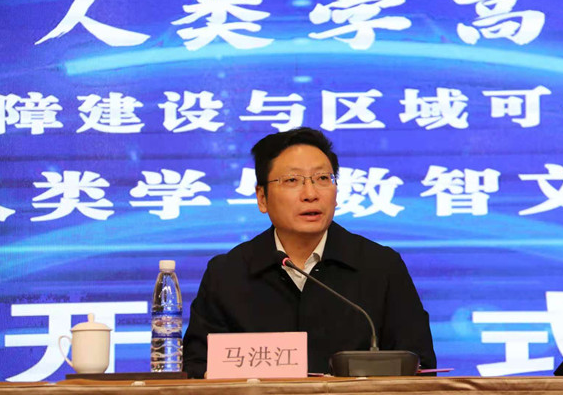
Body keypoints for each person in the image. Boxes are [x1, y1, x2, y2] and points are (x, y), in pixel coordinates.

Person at [183, 127, 436, 378]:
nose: (311, 194)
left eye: (323, 178)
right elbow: (197, 368)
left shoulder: (380, 267)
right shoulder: (227, 274)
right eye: (292, 180)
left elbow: (419, 367)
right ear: (262, 198)